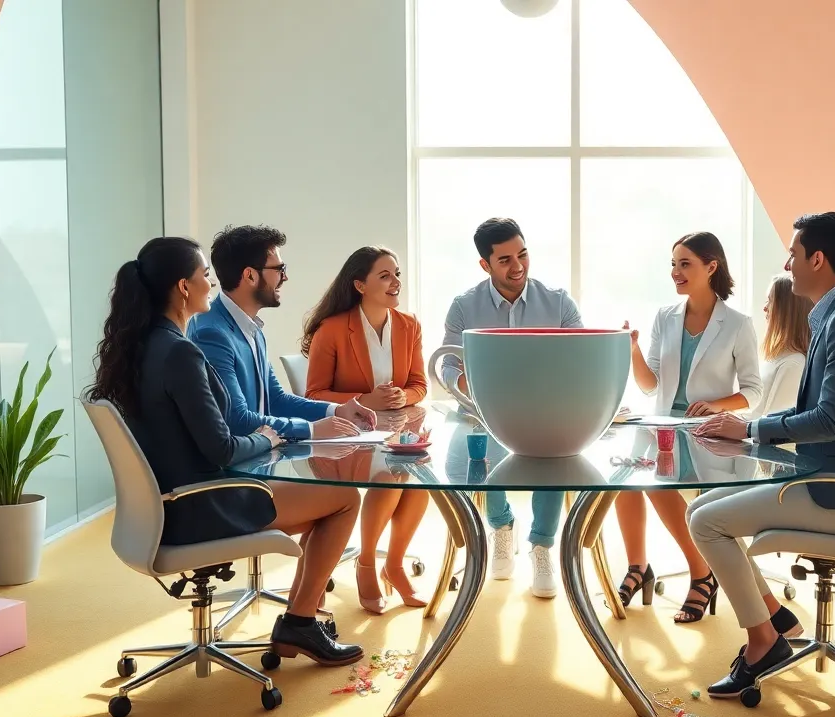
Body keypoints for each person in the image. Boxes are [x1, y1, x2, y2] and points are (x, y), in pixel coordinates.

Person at [86, 236, 365, 666]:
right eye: (204, 277)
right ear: (183, 287)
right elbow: (223, 446)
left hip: (163, 505)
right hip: (199, 506)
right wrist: (270, 439)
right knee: (345, 499)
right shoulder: (182, 352)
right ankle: (300, 622)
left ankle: (300, 620)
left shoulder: (140, 347)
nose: (209, 285)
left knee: (320, 506)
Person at [687, 212, 835, 698]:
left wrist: (752, 428)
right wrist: (749, 436)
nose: (788, 263)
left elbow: (828, 421)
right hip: (832, 476)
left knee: (705, 524)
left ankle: (764, 643)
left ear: (817, 259)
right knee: (700, 507)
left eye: (794, 254)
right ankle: (776, 615)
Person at [615, 232, 763, 624]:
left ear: (711, 267)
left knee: (651, 482)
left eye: (685, 264)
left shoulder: (737, 324)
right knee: (620, 479)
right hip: (663, 425)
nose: (676, 272)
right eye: (674, 264)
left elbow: (753, 392)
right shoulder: (665, 317)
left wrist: (715, 404)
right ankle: (637, 566)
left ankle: (701, 574)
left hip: (707, 432)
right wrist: (632, 351)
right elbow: (651, 385)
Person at [439, 217, 581, 598]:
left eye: (522, 254)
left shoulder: (559, 302)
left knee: (556, 450)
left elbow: (580, 360)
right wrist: (477, 391)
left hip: (545, 414)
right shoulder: (464, 307)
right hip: (482, 415)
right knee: (473, 453)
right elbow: (448, 367)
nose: (517, 266)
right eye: (504, 260)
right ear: (485, 265)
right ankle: (501, 526)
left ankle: (541, 545)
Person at [302, 246, 430, 614]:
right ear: (359, 284)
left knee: (420, 480)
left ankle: (394, 564)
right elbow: (314, 394)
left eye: (397, 274)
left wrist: (399, 395)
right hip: (346, 440)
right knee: (391, 477)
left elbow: (420, 384)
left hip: (394, 432)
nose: (396, 282)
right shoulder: (332, 329)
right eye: (385, 275)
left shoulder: (409, 325)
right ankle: (367, 564)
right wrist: (369, 400)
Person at [188, 224, 376, 442]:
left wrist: (336, 411)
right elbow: (236, 420)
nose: (285, 277)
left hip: (262, 454)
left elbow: (275, 400)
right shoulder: (212, 333)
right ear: (250, 275)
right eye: (279, 269)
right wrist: (311, 430)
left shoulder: (251, 328)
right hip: (239, 468)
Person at [746, 273, 814, 418]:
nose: (765, 308)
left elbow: (775, 427)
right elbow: (756, 414)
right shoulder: (775, 358)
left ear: (786, 310)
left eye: (770, 301)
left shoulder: (794, 364)